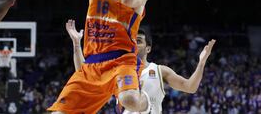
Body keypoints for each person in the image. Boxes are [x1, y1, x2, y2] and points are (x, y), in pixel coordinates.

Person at [65, 19, 216, 114]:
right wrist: (77, 44)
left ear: (148, 48)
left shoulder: (159, 70)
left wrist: (201, 62)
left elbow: (190, 87)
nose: (134, 44)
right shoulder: (116, 70)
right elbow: (84, 74)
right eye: (132, 41)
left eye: (139, 41)